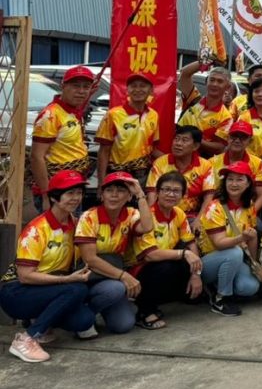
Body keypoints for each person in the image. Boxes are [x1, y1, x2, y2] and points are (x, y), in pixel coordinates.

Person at [1, 171, 95, 363]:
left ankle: (41, 323)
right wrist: (68, 279)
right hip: (15, 292)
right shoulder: (36, 230)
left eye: (78, 192)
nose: (76, 198)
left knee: (84, 320)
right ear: (53, 197)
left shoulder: (75, 224)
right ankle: (28, 338)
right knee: (76, 288)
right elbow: (25, 276)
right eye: (69, 193)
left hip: (45, 289)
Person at [74, 171, 153, 335]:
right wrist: (124, 276)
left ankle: (95, 309)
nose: (114, 195)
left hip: (110, 275)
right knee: (117, 288)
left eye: (121, 190)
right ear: (101, 195)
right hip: (87, 276)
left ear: (128, 196)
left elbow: (147, 227)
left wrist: (140, 195)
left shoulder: (131, 214)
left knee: (123, 325)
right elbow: (90, 259)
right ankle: (83, 315)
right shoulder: (89, 217)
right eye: (109, 190)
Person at [131, 171, 203, 330]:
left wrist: (196, 275)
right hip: (140, 269)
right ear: (157, 192)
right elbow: (150, 255)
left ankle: (167, 298)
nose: (171, 194)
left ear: (183, 195)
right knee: (169, 264)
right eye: (166, 190)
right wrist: (184, 254)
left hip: (166, 263)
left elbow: (190, 242)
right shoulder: (145, 216)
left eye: (176, 191)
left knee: (189, 265)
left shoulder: (179, 213)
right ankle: (144, 311)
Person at [197, 160, 260, 316]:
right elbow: (219, 244)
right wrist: (241, 238)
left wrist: (254, 263)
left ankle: (219, 284)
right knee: (233, 252)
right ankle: (221, 298)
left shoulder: (249, 206)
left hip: (235, 258)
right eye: (230, 179)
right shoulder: (214, 207)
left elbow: (252, 236)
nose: (234, 183)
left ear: (248, 184)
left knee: (249, 287)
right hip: (209, 261)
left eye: (239, 179)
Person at [31, 65, 94, 209]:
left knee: (71, 229)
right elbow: (36, 157)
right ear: (63, 86)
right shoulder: (51, 115)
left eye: (86, 87)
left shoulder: (74, 111)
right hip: (57, 191)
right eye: (76, 86)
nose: (81, 91)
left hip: (75, 185)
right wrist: (47, 195)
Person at [95, 72, 161, 183]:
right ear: (127, 90)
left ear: (151, 90)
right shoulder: (113, 115)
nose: (138, 89)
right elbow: (103, 152)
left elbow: (152, 149)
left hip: (143, 175)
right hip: (117, 175)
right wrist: (101, 184)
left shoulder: (153, 115)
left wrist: (174, 159)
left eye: (142, 86)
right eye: (133, 86)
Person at [145, 126, 215, 215]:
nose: (178, 143)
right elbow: (152, 193)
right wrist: (151, 217)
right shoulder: (160, 163)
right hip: (164, 213)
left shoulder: (205, 166)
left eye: (184, 140)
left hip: (192, 215)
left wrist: (199, 219)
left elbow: (209, 196)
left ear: (195, 146)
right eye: (176, 139)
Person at [210, 121, 262, 212]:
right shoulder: (212, 162)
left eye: (243, 137)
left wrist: (248, 216)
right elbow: (209, 195)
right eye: (234, 136)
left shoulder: (258, 163)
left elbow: (261, 196)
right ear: (228, 138)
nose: (237, 140)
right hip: (217, 210)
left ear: (250, 141)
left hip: (246, 209)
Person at [177, 64, 233, 157]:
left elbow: (219, 147)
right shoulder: (193, 99)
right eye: (212, 80)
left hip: (201, 164)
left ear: (227, 87)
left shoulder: (226, 118)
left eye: (220, 81)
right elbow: (185, 73)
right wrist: (205, 61)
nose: (214, 84)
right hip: (176, 154)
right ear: (207, 82)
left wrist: (194, 139)